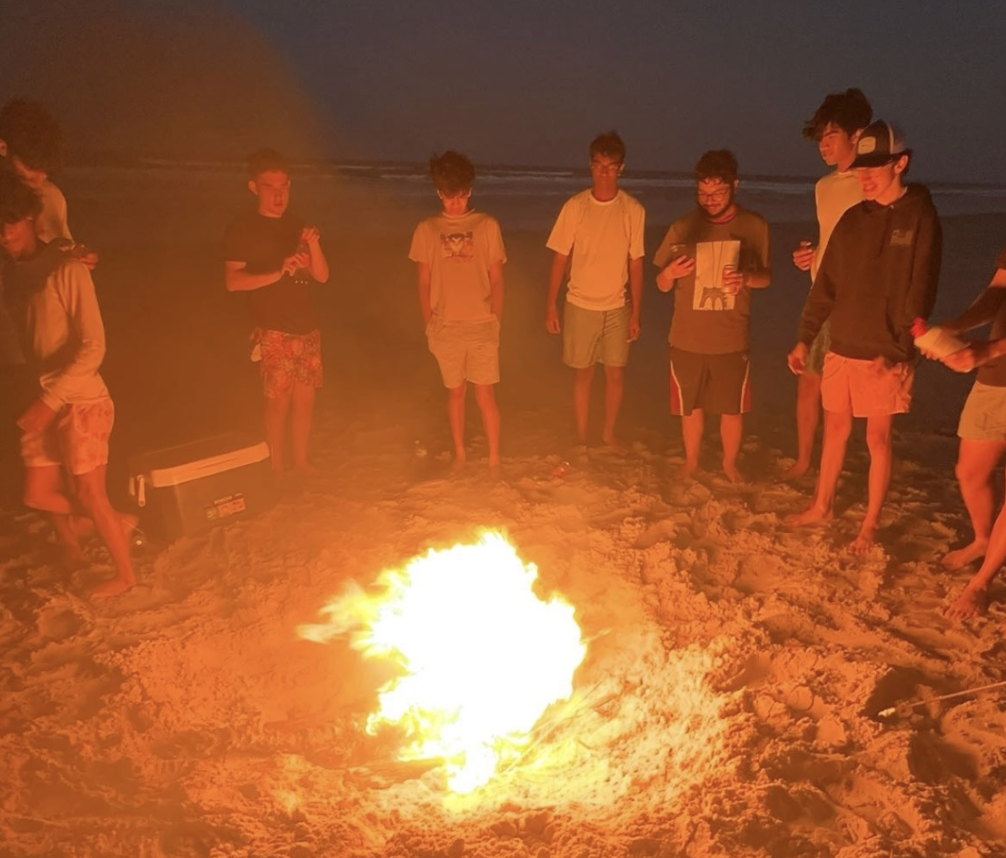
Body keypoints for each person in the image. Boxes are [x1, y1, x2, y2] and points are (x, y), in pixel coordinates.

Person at [787, 120, 942, 553]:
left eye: (876, 167)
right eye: (861, 168)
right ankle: (823, 504)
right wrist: (805, 336)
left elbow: (922, 285)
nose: (865, 176)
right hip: (843, 341)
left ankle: (871, 523)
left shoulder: (920, 215)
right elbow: (827, 284)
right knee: (835, 428)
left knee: (877, 437)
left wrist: (900, 349)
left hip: (885, 348)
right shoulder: (853, 219)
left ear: (901, 163)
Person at [0, 168, 136, 597]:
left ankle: (126, 575)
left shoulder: (68, 271)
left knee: (89, 492)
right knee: (37, 493)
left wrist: (50, 399)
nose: (4, 234)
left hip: (80, 399)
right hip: (41, 394)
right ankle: (114, 520)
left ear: (31, 221)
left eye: (11, 222)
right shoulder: (16, 275)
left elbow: (94, 347)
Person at [653, 150, 771, 482]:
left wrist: (746, 278)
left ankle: (729, 464)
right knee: (690, 407)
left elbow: (766, 277)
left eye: (718, 193)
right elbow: (660, 284)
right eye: (703, 193)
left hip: (731, 337)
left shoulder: (754, 226)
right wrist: (671, 273)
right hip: (686, 337)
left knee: (731, 409)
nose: (710, 200)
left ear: (735, 185)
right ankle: (691, 461)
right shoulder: (683, 227)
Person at [784, 88, 873, 479]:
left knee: (850, 398)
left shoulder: (871, 181)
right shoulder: (824, 187)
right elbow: (833, 236)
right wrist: (810, 254)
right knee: (809, 382)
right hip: (820, 295)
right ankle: (804, 459)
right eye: (820, 136)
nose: (823, 144)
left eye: (831, 135)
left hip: (856, 303)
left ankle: (838, 466)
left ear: (857, 134)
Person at [223, 148, 329, 474]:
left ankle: (300, 461)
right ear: (254, 187)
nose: (279, 194)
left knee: (305, 402)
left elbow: (322, 276)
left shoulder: (296, 225)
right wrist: (278, 271)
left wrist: (313, 244)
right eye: (270, 187)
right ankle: (276, 466)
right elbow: (233, 281)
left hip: (306, 326)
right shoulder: (243, 227)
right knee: (277, 403)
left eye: (284, 186)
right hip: (273, 328)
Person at [919, 239, 1006, 618]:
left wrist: (990, 350)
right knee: (970, 472)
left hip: (996, 357)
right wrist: (954, 328)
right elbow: (998, 291)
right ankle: (985, 539)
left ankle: (981, 582)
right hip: (997, 376)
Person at [545, 131, 645, 450]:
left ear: (621, 168)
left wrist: (636, 312)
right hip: (579, 303)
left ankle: (608, 433)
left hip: (616, 306)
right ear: (590, 166)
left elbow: (636, 264)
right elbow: (560, 259)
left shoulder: (633, 210)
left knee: (615, 375)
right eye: (599, 165)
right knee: (583, 375)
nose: (605, 172)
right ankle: (582, 435)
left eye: (611, 166)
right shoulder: (575, 207)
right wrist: (551, 305)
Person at [409, 151, 505, 473]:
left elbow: (497, 278)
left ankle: (493, 459)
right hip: (445, 325)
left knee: (485, 394)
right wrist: (429, 323)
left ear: (470, 190)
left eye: (461, 195)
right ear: (439, 191)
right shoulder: (427, 228)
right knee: (456, 392)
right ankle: (461, 454)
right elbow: (423, 281)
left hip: (481, 324)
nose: (455, 202)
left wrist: (496, 320)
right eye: (449, 196)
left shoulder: (487, 224)